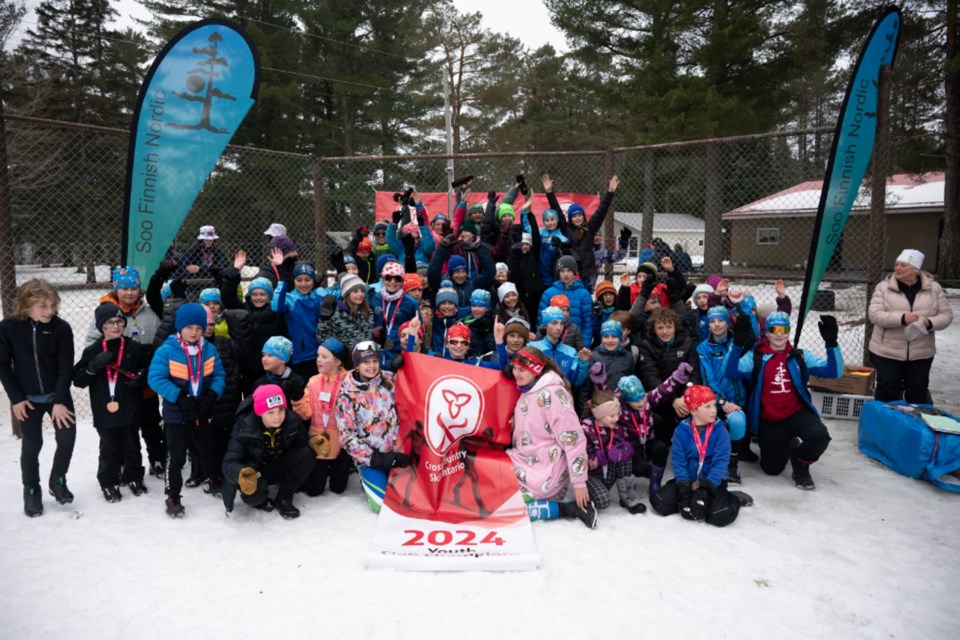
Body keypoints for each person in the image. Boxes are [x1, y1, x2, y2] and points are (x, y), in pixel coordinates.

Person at [725, 311, 841, 490]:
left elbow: (834, 372)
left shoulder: (799, 356)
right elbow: (730, 371)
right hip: (770, 419)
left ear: (788, 331)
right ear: (767, 333)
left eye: (783, 329)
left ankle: (801, 465)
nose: (779, 334)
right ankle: (789, 444)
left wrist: (831, 344)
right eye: (774, 329)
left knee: (820, 436)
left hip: (797, 413)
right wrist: (737, 343)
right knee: (771, 469)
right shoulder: (756, 357)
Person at [0, 280, 76, 517]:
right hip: (27, 399)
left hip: (57, 397)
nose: (49, 311)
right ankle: (31, 489)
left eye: (53, 305)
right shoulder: (8, 328)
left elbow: (66, 367)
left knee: (66, 438)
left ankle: (58, 479)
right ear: (26, 304)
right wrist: (17, 399)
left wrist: (60, 401)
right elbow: (3, 366)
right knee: (32, 444)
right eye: (42, 306)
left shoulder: (61, 328)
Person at [148, 303, 226, 517]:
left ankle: (211, 478)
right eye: (189, 327)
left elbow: (219, 375)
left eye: (199, 328)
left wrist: (210, 396)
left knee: (207, 447)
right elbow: (155, 378)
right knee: (177, 455)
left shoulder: (208, 349)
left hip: (201, 409)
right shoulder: (167, 349)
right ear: (180, 327)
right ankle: (172, 494)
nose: (194, 332)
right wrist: (179, 397)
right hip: (177, 412)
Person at [507, 346, 598, 529]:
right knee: (492, 489)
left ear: (536, 370)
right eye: (515, 368)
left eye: (522, 370)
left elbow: (573, 438)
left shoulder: (553, 394)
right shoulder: (526, 390)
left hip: (546, 469)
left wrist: (579, 483)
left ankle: (568, 509)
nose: (517, 373)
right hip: (523, 460)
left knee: (508, 509)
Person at [74, 303, 150, 502]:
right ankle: (109, 481)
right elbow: (79, 380)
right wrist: (92, 367)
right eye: (110, 322)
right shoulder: (93, 351)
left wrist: (140, 376)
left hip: (130, 406)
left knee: (132, 444)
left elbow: (146, 366)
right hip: (104, 409)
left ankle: (134, 477)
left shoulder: (133, 347)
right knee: (109, 447)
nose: (116, 326)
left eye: (119, 321)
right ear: (101, 327)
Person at [649, 385, 749, 527]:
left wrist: (706, 487)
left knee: (719, 516)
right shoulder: (681, 430)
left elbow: (721, 462)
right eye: (707, 407)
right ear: (694, 410)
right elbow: (678, 460)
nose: (714, 410)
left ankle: (733, 499)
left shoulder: (720, 431)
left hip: (712, 481)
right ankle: (693, 501)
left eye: (714, 405)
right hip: (689, 480)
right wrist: (683, 484)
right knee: (659, 502)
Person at [868, 249, 953, 404]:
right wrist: (902, 318)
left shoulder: (934, 289)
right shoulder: (883, 287)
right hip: (887, 351)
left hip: (920, 353)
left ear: (916, 269)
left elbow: (946, 316)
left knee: (917, 390)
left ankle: (916, 424)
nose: (897, 268)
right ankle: (887, 425)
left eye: (903, 265)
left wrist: (929, 323)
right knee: (887, 390)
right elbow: (874, 315)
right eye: (896, 264)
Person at [336, 341, 409, 512]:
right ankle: (370, 479)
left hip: (397, 454)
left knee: (410, 502)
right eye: (366, 362)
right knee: (383, 508)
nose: (372, 366)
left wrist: (409, 359)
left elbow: (415, 386)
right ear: (357, 364)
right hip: (371, 460)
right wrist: (374, 458)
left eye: (375, 361)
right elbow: (346, 436)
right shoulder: (347, 393)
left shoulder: (389, 379)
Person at [221, 385, 315, 519]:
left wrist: (315, 443)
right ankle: (261, 499)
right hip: (255, 472)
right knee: (255, 498)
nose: (277, 417)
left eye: (281, 410)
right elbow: (229, 462)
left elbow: (303, 443)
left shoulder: (291, 419)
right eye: (270, 412)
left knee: (308, 453)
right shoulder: (244, 427)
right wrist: (241, 473)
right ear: (259, 412)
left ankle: (284, 497)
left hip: (278, 464)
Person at [696, 306, 749, 484]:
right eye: (712, 321)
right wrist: (720, 400)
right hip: (715, 402)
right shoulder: (703, 348)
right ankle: (719, 462)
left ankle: (732, 463)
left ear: (728, 322)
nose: (717, 325)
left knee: (737, 421)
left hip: (740, 401)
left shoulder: (739, 342)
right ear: (708, 325)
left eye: (720, 320)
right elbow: (707, 378)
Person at [636, 307, 701, 445]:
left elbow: (694, 374)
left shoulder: (687, 343)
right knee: (661, 439)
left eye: (668, 327)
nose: (665, 331)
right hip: (661, 397)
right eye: (660, 328)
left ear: (675, 327)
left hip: (684, 398)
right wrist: (673, 400)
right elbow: (650, 378)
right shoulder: (646, 346)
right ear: (654, 329)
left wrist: (685, 399)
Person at [301, 339, 353, 496]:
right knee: (314, 491)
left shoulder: (349, 381)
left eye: (324, 357)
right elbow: (305, 413)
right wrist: (297, 399)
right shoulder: (313, 381)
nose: (318, 360)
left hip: (342, 440)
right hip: (318, 439)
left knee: (338, 488)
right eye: (318, 356)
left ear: (338, 361)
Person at [582, 390, 646, 514]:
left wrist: (626, 449)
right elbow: (582, 464)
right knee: (603, 500)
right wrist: (606, 455)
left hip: (607, 474)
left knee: (624, 454)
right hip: (591, 476)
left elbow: (625, 448)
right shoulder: (585, 431)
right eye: (612, 416)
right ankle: (586, 500)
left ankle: (626, 496)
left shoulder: (616, 428)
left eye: (618, 414)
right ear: (599, 415)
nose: (616, 418)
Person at [317, 273, 375, 353]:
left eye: (362, 291)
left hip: (363, 357)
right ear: (347, 293)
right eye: (355, 291)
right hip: (343, 359)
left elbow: (369, 336)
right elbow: (322, 339)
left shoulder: (368, 311)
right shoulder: (336, 313)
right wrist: (324, 320)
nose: (360, 294)